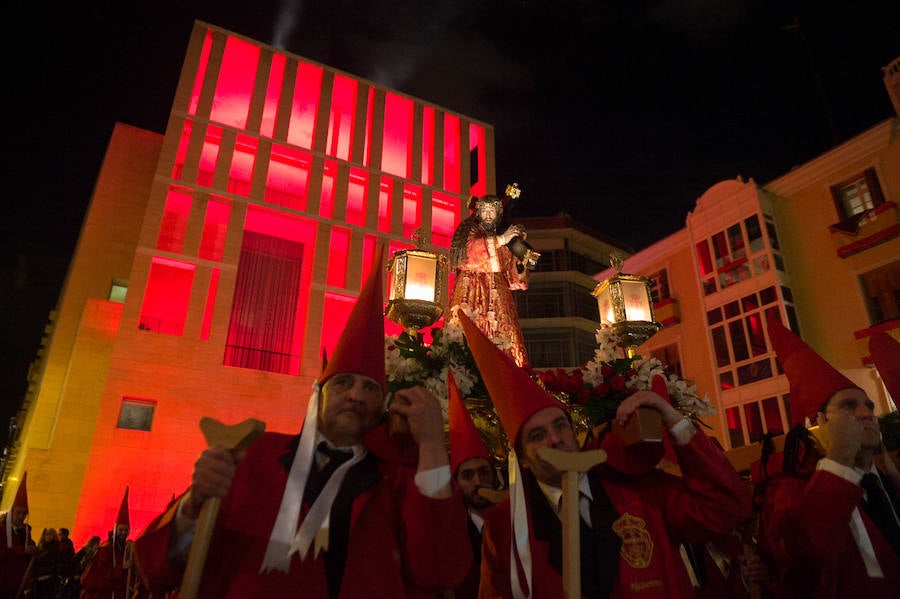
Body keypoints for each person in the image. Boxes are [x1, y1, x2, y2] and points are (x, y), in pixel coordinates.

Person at [133, 250, 472, 598]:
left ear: (382, 406)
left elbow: (441, 569)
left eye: (369, 388)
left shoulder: (396, 480)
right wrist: (194, 505)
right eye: (343, 383)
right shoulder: (250, 455)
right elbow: (156, 570)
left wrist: (431, 443)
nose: (355, 394)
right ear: (318, 396)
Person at [457, 310, 753, 598]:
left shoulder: (641, 492)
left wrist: (674, 420)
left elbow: (728, 508)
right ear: (521, 457)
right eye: (537, 435)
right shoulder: (505, 527)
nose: (555, 439)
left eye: (561, 426)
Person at [754, 317, 900, 597]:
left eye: (868, 405)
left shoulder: (890, 483)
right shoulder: (792, 493)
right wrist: (841, 457)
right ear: (818, 421)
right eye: (848, 406)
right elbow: (800, 563)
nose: (866, 413)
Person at [449, 191, 530, 366]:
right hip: (471, 287)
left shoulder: (504, 236)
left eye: (491, 211)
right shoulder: (470, 230)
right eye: (484, 210)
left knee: (504, 342)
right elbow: (467, 254)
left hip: (498, 294)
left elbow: (512, 277)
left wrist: (520, 259)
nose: (487, 214)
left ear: (498, 214)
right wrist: (500, 240)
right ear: (478, 212)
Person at [446, 371, 504, 599]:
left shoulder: (515, 519)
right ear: (456, 483)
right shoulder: (451, 532)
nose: (478, 482)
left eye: (483, 472)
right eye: (468, 476)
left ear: (494, 476)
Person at [79, 487, 134, 599]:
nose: (123, 533)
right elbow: (103, 569)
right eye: (121, 530)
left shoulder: (124, 547)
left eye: (126, 530)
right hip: (102, 593)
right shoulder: (107, 548)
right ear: (115, 530)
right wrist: (122, 567)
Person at [0, 471, 36, 599]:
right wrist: (22, 550)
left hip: (19, 583)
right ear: (12, 512)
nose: (21, 516)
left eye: (24, 513)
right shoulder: (2, 529)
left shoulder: (26, 531)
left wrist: (34, 548)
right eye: (18, 513)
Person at [30, 527, 61, 599]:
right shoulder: (42, 546)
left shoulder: (55, 548)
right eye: (47, 534)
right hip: (39, 576)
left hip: (47, 577)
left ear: (54, 536)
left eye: (50, 535)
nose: (48, 536)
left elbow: (45, 560)